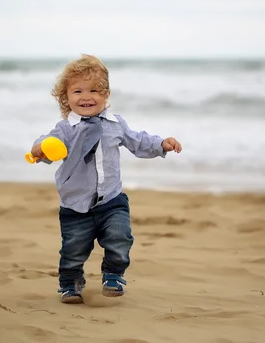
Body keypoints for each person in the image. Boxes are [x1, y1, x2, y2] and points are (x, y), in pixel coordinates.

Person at [31, 54, 182, 304]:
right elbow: (48, 144)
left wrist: (161, 144)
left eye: (94, 90)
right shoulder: (66, 129)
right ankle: (71, 283)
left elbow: (138, 141)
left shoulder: (115, 124)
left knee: (120, 236)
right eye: (77, 91)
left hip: (111, 199)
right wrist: (39, 149)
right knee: (73, 250)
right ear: (66, 98)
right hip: (76, 203)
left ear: (106, 95)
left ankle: (113, 274)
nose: (86, 96)